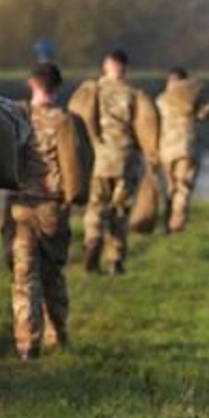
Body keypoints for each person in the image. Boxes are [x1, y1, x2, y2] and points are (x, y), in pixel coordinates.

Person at [2, 62, 81, 359]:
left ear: (30, 84)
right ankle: (57, 334)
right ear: (58, 87)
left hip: (19, 205)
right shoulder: (65, 121)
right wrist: (72, 199)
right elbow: (74, 166)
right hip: (52, 206)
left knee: (24, 275)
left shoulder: (16, 117)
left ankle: (26, 342)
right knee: (52, 274)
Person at [72, 49, 158, 274]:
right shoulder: (135, 95)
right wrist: (151, 156)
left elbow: (77, 118)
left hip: (99, 160)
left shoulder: (92, 90)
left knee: (96, 205)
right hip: (126, 159)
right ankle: (116, 259)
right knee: (120, 210)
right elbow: (147, 127)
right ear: (125, 68)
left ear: (106, 66)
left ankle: (93, 239)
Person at [155, 68, 209, 232]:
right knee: (183, 186)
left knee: (169, 187)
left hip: (165, 150)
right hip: (188, 148)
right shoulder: (192, 98)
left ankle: (167, 223)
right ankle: (177, 222)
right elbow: (206, 114)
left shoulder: (161, 100)